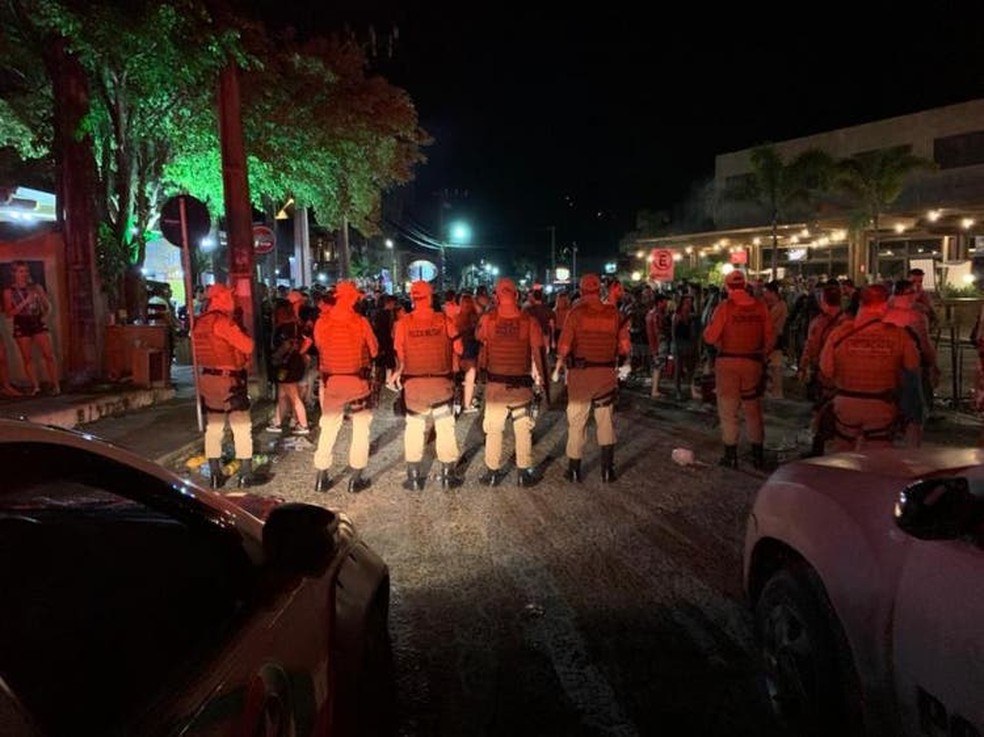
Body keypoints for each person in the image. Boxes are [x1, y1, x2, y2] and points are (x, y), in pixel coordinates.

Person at [819, 284, 921, 452]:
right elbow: (912, 367)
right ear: (885, 304)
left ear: (860, 303)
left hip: (846, 404)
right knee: (876, 459)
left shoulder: (839, 334)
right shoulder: (899, 335)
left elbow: (826, 369)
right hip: (881, 406)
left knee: (842, 457)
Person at [551, 273, 631, 483]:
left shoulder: (575, 314)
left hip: (581, 378)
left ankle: (574, 470)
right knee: (605, 422)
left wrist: (559, 366)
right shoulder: (614, 314)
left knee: (577, 422)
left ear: (582, 290)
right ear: (600, 290)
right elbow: (625, 347)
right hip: (605, 376)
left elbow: (564, 347)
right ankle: (607, 471)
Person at [390, 279, 464, 491]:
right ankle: (448, 475)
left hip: (414, 385)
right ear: (431, 297)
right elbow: (458, 349)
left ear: (412, 298)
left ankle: (413, 477)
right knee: (445, 427)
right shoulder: (444, 320)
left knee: (414, 428)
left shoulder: (403, 323)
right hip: (441, 384)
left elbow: (400, 356)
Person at [475, 278, 547, 487]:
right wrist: (541, 379)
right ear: (516, 295)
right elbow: (537, 353)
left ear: (496, 296)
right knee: (523, 429)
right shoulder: (529, 321)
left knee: (494, 429)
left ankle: (492, 473)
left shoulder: (489, 319)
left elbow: (479, 336)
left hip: (496, 386)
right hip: (521, 387)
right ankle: (524, 473)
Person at [702, 269, 774, 470]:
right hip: (753, 363)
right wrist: (761, 357)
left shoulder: (725, 308)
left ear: (727, 287)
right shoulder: (760, 308)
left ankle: (731, 455)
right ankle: (757, 455)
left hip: (728, 365)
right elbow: (770, 338)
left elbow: (709, 337)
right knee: (753, 410)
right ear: (744, 285)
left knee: (728, 410)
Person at [312, 280, 379, 493]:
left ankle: (322, 476)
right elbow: (375, 350)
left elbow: (320, 346)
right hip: (357, 383)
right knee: (360, 429)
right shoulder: (360, 322)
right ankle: (355, 478)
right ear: (351, 299)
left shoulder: (321, 323)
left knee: (329, 427)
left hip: (332, 383)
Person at [191, 283, 256, 489]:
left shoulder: (199, 323)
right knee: (241, 426)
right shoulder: (223, 323)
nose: (232, 301)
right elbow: (247, 345)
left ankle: (215, 474)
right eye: (229, 297)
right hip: (229, 380)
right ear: (220, 299)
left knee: (214, 427)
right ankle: (246, 473)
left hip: (207, 380)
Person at [884, 279, 940, 447]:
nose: (916, 295)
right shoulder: (916, 316)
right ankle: (912, 453)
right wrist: (934, 366)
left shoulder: (885, 312)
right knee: (915, 412)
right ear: (907, 294)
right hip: (911, 367)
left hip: (888, 365)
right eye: (913, 292)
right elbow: (925, 345)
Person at [797, 283, 847, 456]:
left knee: (821, 411)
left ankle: (819, 449)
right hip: (844, 377)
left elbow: (810, 347)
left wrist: (803, 367)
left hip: (824, 375)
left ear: (823, 300)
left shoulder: (818, 322)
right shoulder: (849, 322)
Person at [3, 260, 59, 396]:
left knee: (49, 354)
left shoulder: (36, 287)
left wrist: (43, 313)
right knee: (27, 357)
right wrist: (25, 302)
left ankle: (55, 385)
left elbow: (48, 306)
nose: (24, 274)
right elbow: (9, 314)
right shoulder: (8, 291)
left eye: (26, 271)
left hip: (36, 320)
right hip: (21, 321)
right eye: (21, 271)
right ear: (14, 273)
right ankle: (36, 386)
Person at [266, 298, 311, 435]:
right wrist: (300, 352)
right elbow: (308, 340)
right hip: (295, 363)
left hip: (285, 366)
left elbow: (285, 345)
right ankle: (277, 421)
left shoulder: (282, 328)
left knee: (293, 395)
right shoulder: (297, 325)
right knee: (282, 393)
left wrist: (276, 357)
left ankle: (303, 424)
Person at [455, 292, 482, 414]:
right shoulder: (475, 318)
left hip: (458, 350)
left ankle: (458, 401)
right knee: (470, 378)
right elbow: (480, 335)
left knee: (458, 378)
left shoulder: (456, 318)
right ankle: (467, 404)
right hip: (471, 349)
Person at [762, 281, 788, 399]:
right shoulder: (771, 305)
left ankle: (777, 392)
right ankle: (773, 389)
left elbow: (769, 321)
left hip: (776, 338)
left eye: (766, 292)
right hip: (770, 338)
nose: (764, 294)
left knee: (776, 366)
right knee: (771, 365)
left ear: (773, 292)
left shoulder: (780, 306)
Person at [670, 293, 698, 400]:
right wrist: (675, 346)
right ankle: (678, 390)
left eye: (690, 302)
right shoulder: (677, 316)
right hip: (679, 344)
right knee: (678, 368)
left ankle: (690, 389)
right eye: (686, 302)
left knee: (690, 368)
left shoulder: (691, 317)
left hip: (688, 344)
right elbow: (673, 333)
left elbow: (693, 334)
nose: (689, 304)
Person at [645, 293, 669, 398]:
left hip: (654, 344)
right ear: (660, 302)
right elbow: (657, 332)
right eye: (665, 302)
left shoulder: (650, 314)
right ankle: (655, 390)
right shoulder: (657, 315)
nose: (666, 304)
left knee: (657, 367)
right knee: (657, 367)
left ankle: (655, 389)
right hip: (658, 344)